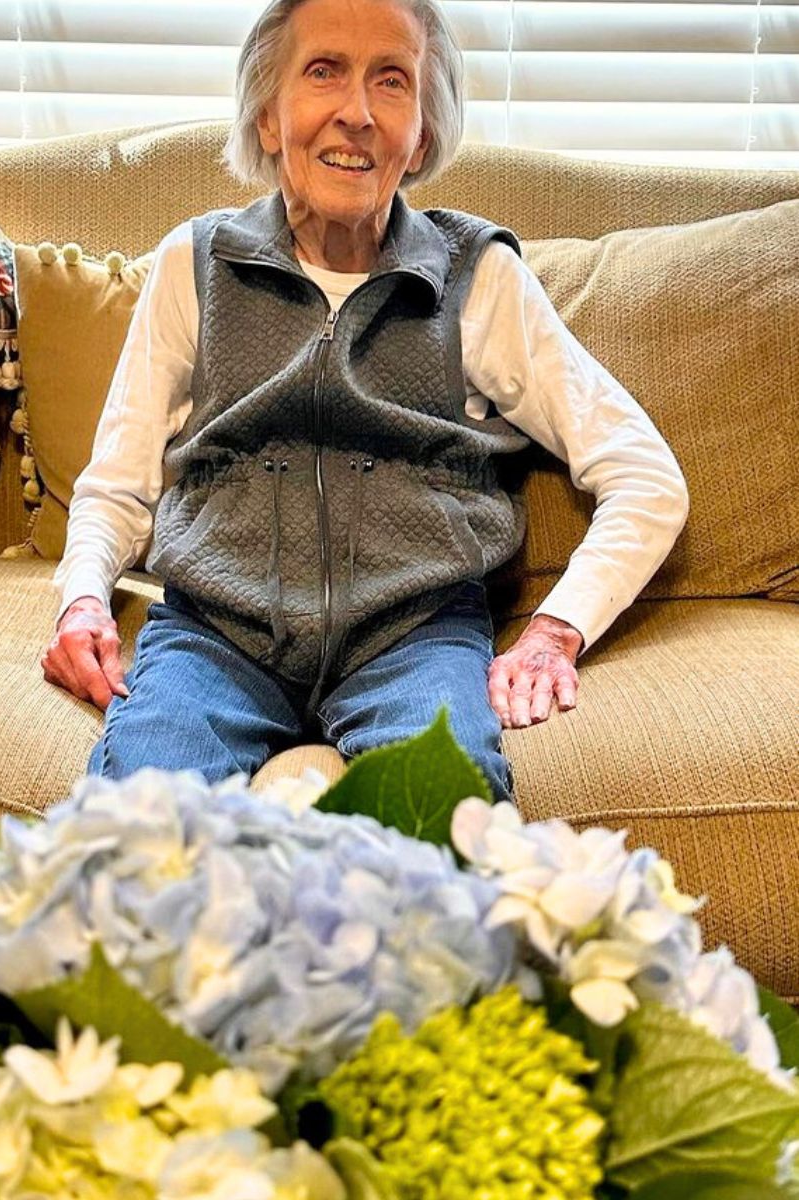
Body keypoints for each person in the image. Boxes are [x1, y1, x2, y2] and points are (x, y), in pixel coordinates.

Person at [40, 0, 689, 803]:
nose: (355, 113)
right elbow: (119, 484)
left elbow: (645, 476)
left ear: (420, 133)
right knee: (134, 828)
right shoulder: (195, 263)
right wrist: (81, 604)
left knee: (447, 816)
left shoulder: (477, 278)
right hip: (216, 634)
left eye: (391, 80)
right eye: (323, 72)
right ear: (270, 116)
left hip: (414, 637)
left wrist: (557, 632)